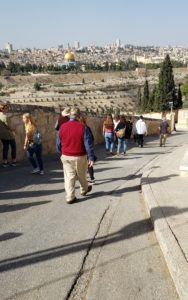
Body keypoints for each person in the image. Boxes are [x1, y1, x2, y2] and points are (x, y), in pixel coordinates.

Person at [59, 107, 94, 204]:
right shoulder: (83, 127)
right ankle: (84, 189)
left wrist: (62, 152)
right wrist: (91, 157)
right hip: (80, 156)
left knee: (69, 176)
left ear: (70, 115)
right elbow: (88, 144)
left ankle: (70, 197)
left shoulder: (62, 127)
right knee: (81, 174)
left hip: (66, 155)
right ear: (78, 116)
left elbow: (58, 143)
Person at [79, 116, 96, 184]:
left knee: (83, 166)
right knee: (89, 165)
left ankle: (86, 180)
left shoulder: (82, 128)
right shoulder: (87, 128)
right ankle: (92, 178)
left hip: (83, 150)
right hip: (87, 149)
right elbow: (92, 138)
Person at [0, 103, 17, 167]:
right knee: (13, 147)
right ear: (3, 109)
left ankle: (5, 162)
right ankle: (14, 161)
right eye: (6, 108)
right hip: (8, 135)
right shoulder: (5, 116)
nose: (7, 109)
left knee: (5, 148)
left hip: (2, 135)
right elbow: (9, 126)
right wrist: (14, 130)